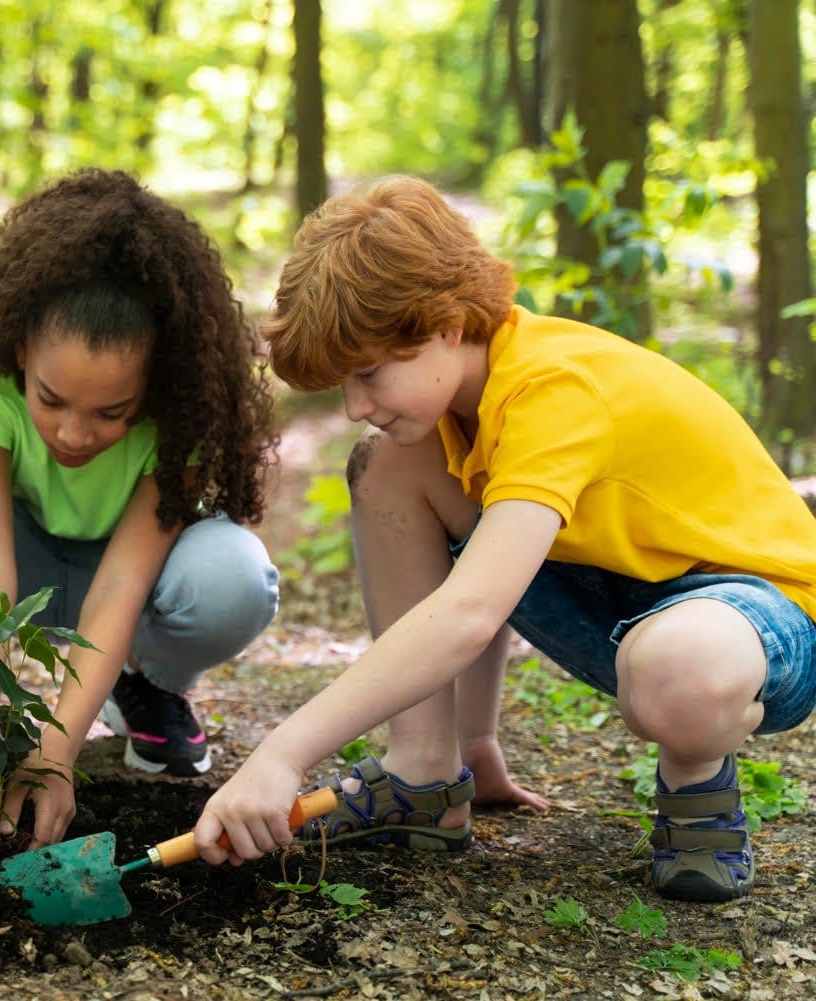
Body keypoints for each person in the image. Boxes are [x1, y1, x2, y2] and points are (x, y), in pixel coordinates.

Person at [193, 176, 816, 903]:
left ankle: (696, 780)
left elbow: (472, 610)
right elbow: (486, 569)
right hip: (621, 595)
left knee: (676, 668)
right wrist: (474, 739)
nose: (357, 405)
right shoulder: (463, 402)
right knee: (389, 464)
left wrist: (282, 754)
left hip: (758, 616)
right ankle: (426, 768)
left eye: (368, 374)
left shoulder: (550, 390)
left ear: (448, 325)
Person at [0, 168, 281, 873]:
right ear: (20, 351)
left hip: (125, 592)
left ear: (156, 383)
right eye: (51, 400)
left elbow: (123, 581)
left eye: (111, 413)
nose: (74, 434)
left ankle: (146, 684)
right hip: (21, 557)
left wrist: (58, 749)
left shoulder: (184, 413)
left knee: (235, 576)